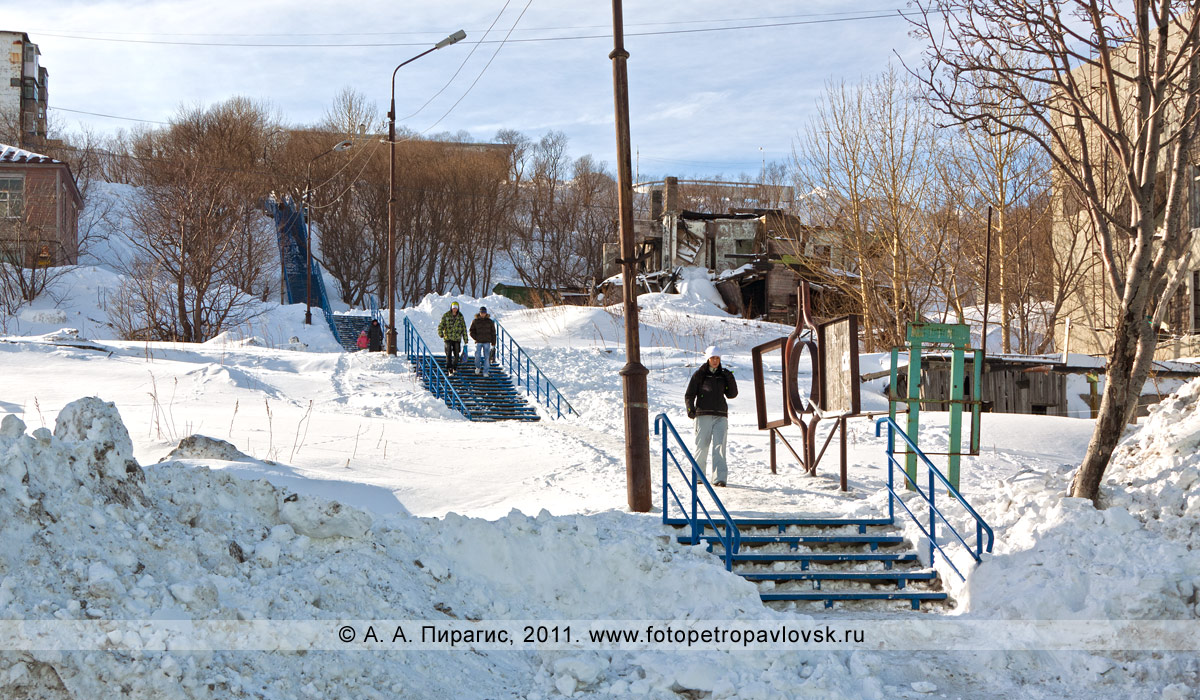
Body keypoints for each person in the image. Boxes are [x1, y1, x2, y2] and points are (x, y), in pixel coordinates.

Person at [684, 345, 738, 487]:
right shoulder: (699, 375)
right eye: (712, 358)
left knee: (720, 447)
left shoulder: (723, 375)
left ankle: (719, 478)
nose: (715, 361)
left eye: (717, 358)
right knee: (702, 446)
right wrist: (691, 409)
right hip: (703, 415)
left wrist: (730, 378)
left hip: (721, 415)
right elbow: (689, 394)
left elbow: (732, 394)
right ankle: (698, 476)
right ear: (708, 359)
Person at [437, 301, 468, 375]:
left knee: (457, 354)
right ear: (451, 308)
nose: (454, 309)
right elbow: (441, 325)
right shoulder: (446, 315)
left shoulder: (460, 316)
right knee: (448, 352)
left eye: (456, 308)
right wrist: (440, 333)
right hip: (448, 337)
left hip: (457, 338)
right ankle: (449, 368)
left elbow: (464, 328)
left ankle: (454, 367)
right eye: (453, 308)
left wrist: (465, 338)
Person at [470, 306, 497, 376]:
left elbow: (493, 332)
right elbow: (471, 331)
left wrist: (493, 342)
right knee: (477, 355)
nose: (483, 314)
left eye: (484, 312)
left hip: (487, 341)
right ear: (479, 313)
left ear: (486, 313)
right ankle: (478, 367)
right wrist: (476, 338)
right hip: (478, 341)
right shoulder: (475, 321)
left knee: (487, 357)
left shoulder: (490, 321)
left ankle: (485, 371)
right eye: (481, 312)